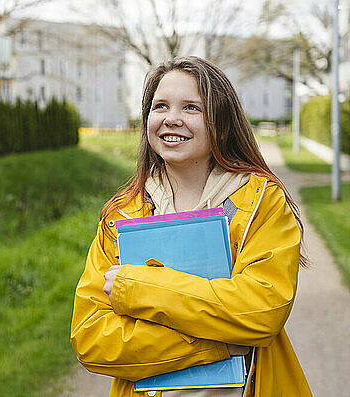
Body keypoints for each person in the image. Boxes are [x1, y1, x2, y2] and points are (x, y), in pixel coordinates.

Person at [69, 56, 312, 397]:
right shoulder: (121, 216)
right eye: (161, 106)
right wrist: (219, 345)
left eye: (191, 108)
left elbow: (260, 311)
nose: (172, 119)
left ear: (222, 123)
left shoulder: (262, 202)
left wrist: (138, 287)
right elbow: (92, 339)